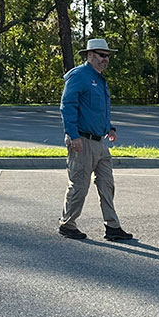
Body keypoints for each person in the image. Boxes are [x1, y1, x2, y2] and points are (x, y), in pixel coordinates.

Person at [57, 37, 134, 241]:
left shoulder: (100, 79)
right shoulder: (79, 76)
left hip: (99, 142)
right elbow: (67, 106)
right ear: (90, 55)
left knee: (107, 184)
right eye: (102, 55)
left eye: (107, 56)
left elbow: (98, 110)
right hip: (82, 141)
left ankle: (112, 227)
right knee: (79, 185)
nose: (105, 59)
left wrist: (109, 128)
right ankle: (67, 224)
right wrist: (73, 136)